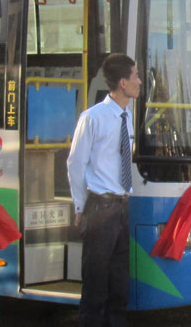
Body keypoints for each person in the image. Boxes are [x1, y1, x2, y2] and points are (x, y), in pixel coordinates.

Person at [67, 54, 141, 327]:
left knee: (119, 283)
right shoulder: (93, 117)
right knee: (96, 283)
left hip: (121, 206)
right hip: (100, 207)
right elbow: (75, 163)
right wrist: (79, 205)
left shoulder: (126, 117)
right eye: (136, 76)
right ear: (123, 83)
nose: (139, 82)